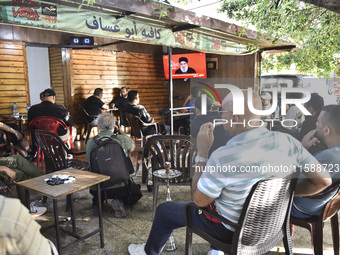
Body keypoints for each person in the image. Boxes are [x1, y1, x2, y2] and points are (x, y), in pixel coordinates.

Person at [128, 89, 331, 255]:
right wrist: (284, 193)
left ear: (234, 118)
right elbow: (323, 181)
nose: (221, 118)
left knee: (165, 211)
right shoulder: (289, 142)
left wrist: (203, 153)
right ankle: (216, 251)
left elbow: (199, 200)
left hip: (231, 232)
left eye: (222, 113)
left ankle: (148, 252)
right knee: (225, 197)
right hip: (272, 229)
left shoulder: (224, 156)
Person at [292, 105, 340, 218]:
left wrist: (301, 149)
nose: (316, 125)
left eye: (318, 122)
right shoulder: (334, 154)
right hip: (326, 205)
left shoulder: (327, 157)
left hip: (302, 208)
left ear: (326, 130)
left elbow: (292, 184)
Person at [86, 113, 135, 217]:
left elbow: (89, 163)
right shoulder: (121, 139)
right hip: (120, 187)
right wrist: (121, 131)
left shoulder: (90, 142)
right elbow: (133, 146)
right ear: (114, 125)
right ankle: (119, 200)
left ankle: (97, 203)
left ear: (98, 126)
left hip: (99, 188)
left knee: (97, 188)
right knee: (135, 192)